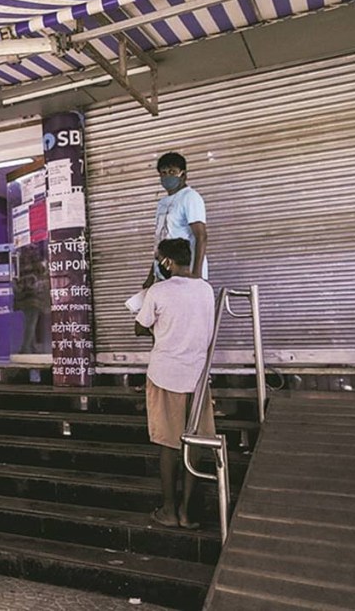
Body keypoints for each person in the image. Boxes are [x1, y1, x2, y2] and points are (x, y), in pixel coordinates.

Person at [135, 238, 216, 529]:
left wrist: (148, 284)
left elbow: (139, 327)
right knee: (193, 444)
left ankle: (168, 510)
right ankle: (186, 512)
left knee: (168, 445)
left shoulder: (158, 290)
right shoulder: (206, 290)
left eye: (159, 259)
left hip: (165, 375)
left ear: (166, 262)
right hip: (197, 378)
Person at [144, 151, 208, 288]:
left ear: (183, 174)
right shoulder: (162, 203)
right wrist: (151, 276)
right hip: (165, 273)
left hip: (185, 273)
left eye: (172, 172)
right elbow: (161, 242)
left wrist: (196, 274)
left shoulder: (190, 197)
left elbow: (201, 236)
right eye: (164, 173)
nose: (167, 176)